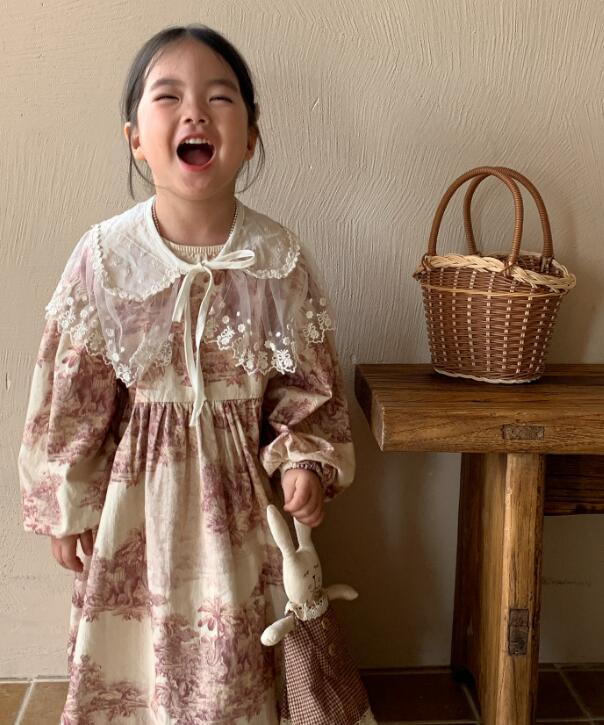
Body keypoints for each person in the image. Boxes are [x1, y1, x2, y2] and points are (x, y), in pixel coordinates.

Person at [17, 24, 355, 724]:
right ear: (136, 138)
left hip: (243, 510)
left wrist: (305, 460)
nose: (195, 112)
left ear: (251, 136)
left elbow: (307, 386)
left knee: (236, 652)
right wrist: (68, 502)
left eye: (219, 98)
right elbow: (73, 396)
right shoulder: (105, 259)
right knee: (138, 660)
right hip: (135, 509)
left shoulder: (277, 260)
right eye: (168, 97)